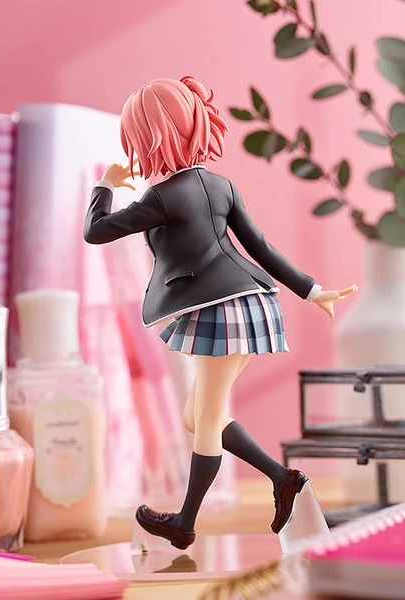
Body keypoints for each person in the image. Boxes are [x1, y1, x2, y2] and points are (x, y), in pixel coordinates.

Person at [83, 75, 357, 550]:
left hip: (220, 310)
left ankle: (185, 522)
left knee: (206, 418)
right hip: (253, 302)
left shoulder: (161, 197)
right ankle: (283, 480)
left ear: (151, 137)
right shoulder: (221, 185)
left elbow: (96, 231)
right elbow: (261, 248)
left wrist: (106, 184)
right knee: (197, 416)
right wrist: (311, 291)